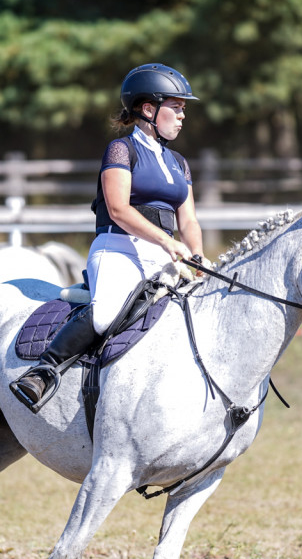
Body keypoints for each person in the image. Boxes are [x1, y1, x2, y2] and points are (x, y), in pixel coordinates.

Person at [11, 63, 205, 412]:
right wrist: (167, 242)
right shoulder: (121, 150)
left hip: (165, 253)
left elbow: (188, 217)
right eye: (175, 108)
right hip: (119, 248)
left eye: (183, 110)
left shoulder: (179, 162)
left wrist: (197, 254)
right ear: (149, 109)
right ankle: (44, 370)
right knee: (105, 315)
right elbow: (117, 209)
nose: (181, 117)